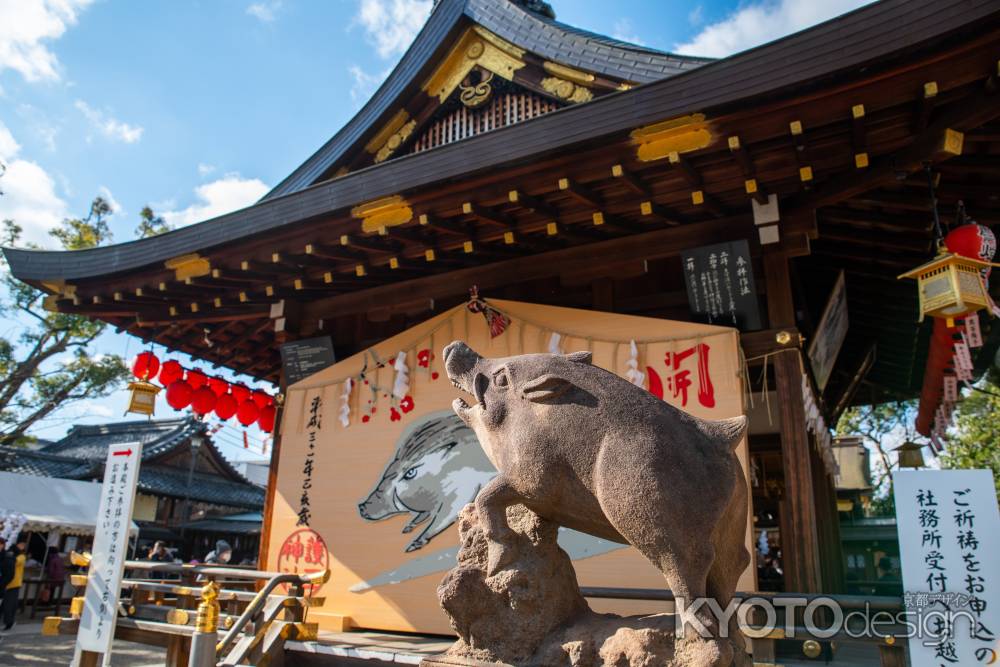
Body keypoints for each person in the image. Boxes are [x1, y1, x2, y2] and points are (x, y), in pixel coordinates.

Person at [1, 540, 26, 631]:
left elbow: (14, 562)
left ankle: (9, 623)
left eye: (23, 545)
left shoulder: (21, 556)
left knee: (9, 605)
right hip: (4, 583)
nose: (22, 546)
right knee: (5, 605)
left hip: (14, 584)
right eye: (20, 544)